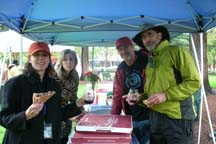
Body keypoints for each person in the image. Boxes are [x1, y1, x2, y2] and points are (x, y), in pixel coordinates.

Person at [0, 42, 86, 144]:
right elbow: (4, 118)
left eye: (44, 55)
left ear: (49, 59)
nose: (41, 58)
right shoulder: (15, 84)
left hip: (48, 138)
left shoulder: (53, 85)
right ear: (29, 59)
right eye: (36, 55)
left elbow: (57, 114)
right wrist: (26, 115)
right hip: (22, 140)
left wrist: (78, 104)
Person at [132, 25, 201, 144]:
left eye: (149, 34)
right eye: (143, 37)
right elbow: (153, 93)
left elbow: (194, 82)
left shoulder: (176, 51)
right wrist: (140, 98)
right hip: (155, 119)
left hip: (177, 118)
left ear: (160, 35)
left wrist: (166, 95)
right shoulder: (150, 62)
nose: (146, 39)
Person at [111, 37, 150, 144]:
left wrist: (141, 97)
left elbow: (157, 88)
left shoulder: (146, 61)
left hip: (149, 115)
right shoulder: (121, 69)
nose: (123, 51)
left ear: (132, 47)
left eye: (126, 47)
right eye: (120, 49)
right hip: (130, 117)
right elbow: (117, 95)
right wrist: (114, 119)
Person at [54, 49, 83, 144]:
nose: (68, 62)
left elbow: (73, 96)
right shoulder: (53, 76)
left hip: (67, 114)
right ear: (61, 61)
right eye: (65, 59)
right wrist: (70, 116)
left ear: (75, 62)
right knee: (50, 139)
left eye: (71, 59)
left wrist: (81, 111)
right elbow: (52, 101)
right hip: (51, 117)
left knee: (64, 139)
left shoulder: (75, 76)